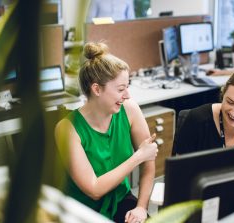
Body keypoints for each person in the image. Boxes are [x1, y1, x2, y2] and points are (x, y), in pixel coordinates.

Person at [55, 42, 158, 223]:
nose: (127, 95)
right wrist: (138, 156)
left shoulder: (130, 110)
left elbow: (149, 164)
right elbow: (94, 190)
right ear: (96, 89)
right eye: (120, 89)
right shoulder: (67, 128)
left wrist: (141, 207)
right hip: (81, 210)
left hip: (119, 199)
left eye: (127, 86)